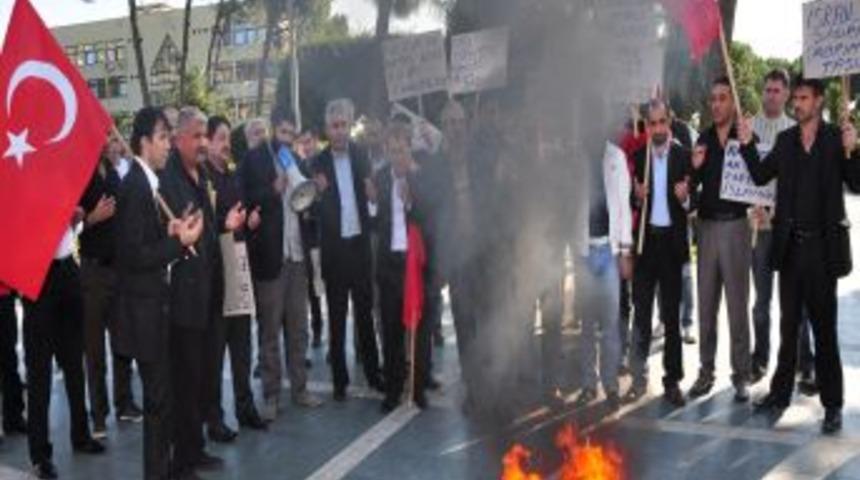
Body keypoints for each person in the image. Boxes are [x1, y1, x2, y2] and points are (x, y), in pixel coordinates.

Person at [746, 76, 860, 434]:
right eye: (795, 98)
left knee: (825, 332)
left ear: (820, 101)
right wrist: (748, 143)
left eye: (803, 98)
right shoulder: (785, 141)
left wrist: (854, 148)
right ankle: (780, 394)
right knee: (788, 327)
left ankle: (833, 405)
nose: (797, 103)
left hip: (823, 252)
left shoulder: (832, 139)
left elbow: (856, 183)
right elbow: (760, 175)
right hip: (790, 249)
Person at [114, 106, 203, 480]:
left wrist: (170, 234)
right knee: (157, 404)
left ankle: (164, 471)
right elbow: (132, 256)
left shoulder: (147, 183)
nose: (168, 145)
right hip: (143, 313)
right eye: (163, 138)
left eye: (169, 137)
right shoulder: (135, 185)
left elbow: (144, 243)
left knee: (162, 402)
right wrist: (180, 244)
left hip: (155, 309)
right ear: (145, 142)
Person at [158, 106, 229, 477]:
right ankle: (180, 458)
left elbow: (209, 230)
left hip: (210, 294)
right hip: (183, 299)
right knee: (182, 381)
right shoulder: (167, 181)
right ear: (178, 138)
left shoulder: (201, 175)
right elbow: (176, 234)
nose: (203, 142)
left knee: (202, 376)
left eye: (206, 135)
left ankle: (195, 447)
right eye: (197, 135)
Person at [242, 111, 323, 421]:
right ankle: (271, 394)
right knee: (270, 330)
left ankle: (300, 389)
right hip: (271, 258)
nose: (287, 138)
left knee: (299, 328)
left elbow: (309, 202)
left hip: (297, 255)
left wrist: (315, 190)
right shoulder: (255, 160)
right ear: (274, 130)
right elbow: (247, 199)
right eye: (284, 132)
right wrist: (271, 191)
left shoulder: (299, 161)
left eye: (292, 133)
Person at [22, 213, 107, 479]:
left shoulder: (58, 178)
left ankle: (80, 435)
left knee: (74, 363)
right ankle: (40, 456)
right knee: (40, 371)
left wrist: (76, 219)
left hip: (68, 268)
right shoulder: (20, 182)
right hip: (36, 271)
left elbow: (72, 225)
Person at [688, 76, 755, 403]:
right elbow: (692, 185)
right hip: (707, 227)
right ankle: (705, 371)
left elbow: (761, 177)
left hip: (737, 226)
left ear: (732, 101)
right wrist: (694, 168)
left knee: (737, 305)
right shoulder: (702, 139)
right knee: (706, 305)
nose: (715, 104)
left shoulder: (746, 136)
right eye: (712, 99)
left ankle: (741, 374)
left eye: (722, 98)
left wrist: (749, 144)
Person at [312, 98, 384, 401]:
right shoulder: (316, 163)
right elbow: (311, 209)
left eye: (344, 125)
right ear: (327, 129)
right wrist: (318, 194)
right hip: (334, 250)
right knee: (338, 318)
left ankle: (372, 373)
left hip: (359, 247)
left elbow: (371, 204)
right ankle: (339, 380)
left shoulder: (360, 154)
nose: (340, 131)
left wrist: (371, 198)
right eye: (334, 126)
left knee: (365, 316)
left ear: (350, 125)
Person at [748, 69, 815, 388]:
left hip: (788, 229)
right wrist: (752, 208)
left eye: (777, 90)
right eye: (767, 89)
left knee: (797, 303)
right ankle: (759, 359)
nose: (771, 95)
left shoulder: (795, 129)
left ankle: (806, 362)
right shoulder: (748, 128)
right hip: (758, 229)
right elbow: (742, 178)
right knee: (761, 302)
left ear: (787, 94)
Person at [201, 115, 267, 440]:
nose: (226, 144)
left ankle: (246, 406)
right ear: (209, 142)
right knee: (214, 352)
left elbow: (236, 224)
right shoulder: (201, 180)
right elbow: (200, 231)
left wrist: (248, 223)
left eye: (228, 138)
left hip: (238, 266)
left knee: (242, 345)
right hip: (214, 276)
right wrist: (224, 224)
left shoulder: (232, 177)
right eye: (221, 138)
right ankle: (213, 418)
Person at [624, 99, 692, 408]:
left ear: (670, 121)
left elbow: (695, 201)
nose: (658, 128)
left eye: (662, 121)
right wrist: (636, 197)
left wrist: (686, 197)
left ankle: (672, 380)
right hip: (645, 245)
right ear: (646, 126)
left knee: (671, 318)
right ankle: (639, 378)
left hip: (672, 245)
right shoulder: (638, 158)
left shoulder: (683, 156)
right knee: (641, 315)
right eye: (652, 123)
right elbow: (629, 203)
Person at [79, 143, 142, 440]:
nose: (107, 140)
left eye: (109, 135)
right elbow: (68, 223)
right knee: (93, 349)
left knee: (123, 341)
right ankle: (99, 415)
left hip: (119, 270)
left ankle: (125, 402)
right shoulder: (80, 173)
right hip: (93, 271)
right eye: (102, 136)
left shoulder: (117, 174)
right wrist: (92, 218)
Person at [370, 123, 431, 412]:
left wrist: (411, 203)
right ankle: (393, 389)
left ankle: (418, 389)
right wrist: (370, 203)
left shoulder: (421, 178)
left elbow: (429, 219)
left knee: (418, 328)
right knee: (392, 329)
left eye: (402, 150)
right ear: (387, 151)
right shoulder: (379, 178)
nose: (398, 156)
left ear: (410, 148)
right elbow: (372, 221)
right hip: (388, 263)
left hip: (413, 265)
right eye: (393, 151)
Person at [571, 136, 633, 412]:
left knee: (610, 325)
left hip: (609, 251)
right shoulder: (575, 158)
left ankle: (610, 386)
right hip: (583, 252)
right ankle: (588, 384)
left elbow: (623, 206)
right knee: (586, 325)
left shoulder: (616, 157)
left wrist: (625, 250)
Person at [0, 289, 27, 437]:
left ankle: (13, 418)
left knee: (9, 360)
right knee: (9, 360)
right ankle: (13, 418)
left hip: (5, 298)